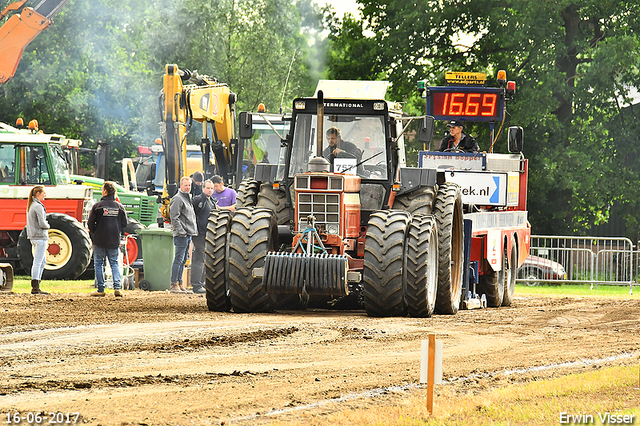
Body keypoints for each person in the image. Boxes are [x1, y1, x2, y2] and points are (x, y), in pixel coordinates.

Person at [88, 181, 128, 297]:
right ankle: (117, 288)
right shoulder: (119, 207)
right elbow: (124, 223)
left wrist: (95, 233)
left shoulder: (97, 206)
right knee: (114, 263)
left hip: (99, 239)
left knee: (99, 263)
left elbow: (90, 223)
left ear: (105, 191)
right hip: (114, 240)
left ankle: (101, 289)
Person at [169, 176, 198, 293]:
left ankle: (180, 283)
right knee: (178, 259)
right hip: (182, 235)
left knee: (183, 260)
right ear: (180, 186)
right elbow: (174, 217)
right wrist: (182, 232)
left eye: (189, 185)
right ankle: (174, 284)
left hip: (188, 233)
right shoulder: (178, 199)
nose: (187, 187)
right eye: (185, 185)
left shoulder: (188, 198)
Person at [190, 179, 217, 294]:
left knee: (205, 259)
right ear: (203, 188)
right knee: (198, 259)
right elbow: (190, 214)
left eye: (211, 188)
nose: (210, 190)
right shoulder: (197, 200)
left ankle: (202, 283)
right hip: (199, 234)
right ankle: (196, 285)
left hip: (209, 235)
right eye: (208, 188)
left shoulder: (212, 202)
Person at [26, 185, 50, 295]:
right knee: (38, 261)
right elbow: (42, 223)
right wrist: (48, 225)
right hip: (40, 236)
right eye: (44, 193)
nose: (45, 195)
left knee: (42, 261)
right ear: (38, 194)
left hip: (33, 236)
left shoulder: (31, 205)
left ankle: (37, 284)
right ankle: (35, 286)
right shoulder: (38, 206)